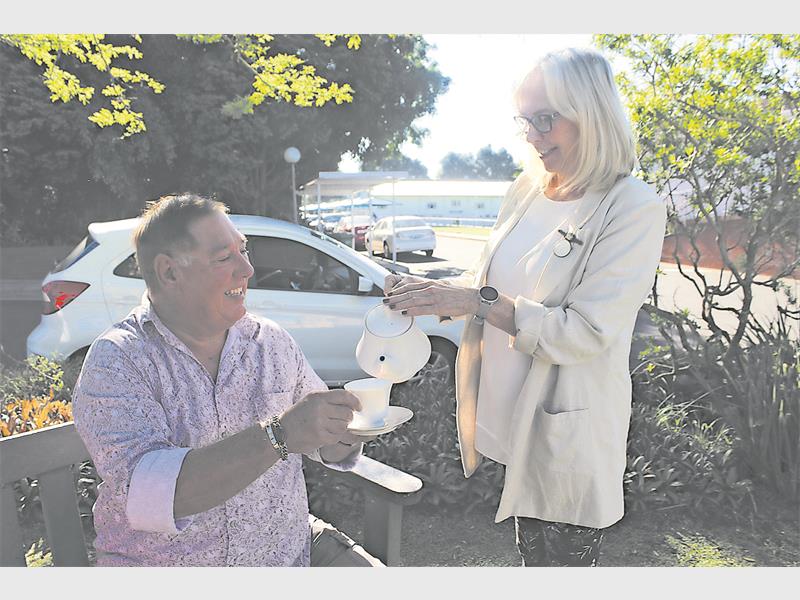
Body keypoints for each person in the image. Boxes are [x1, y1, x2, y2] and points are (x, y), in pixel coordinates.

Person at [383, 48, 667, 567]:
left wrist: (475, 301)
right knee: (530, 559)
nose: (532, 136)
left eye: (545, 119)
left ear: (591, 113)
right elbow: (489, 283)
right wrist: (431, 294)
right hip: (514, 422)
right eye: (525, 121)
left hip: (566, 432)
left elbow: (584, 331)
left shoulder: (632, 207)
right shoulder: (527, 190)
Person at [72, 194, 374, 567]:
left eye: (243, 251)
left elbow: (320, 443)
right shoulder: (119, 360)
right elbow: (156, 498)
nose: (247, 269)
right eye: (223, 258)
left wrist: (342, 433)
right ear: (169, 272)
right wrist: (278, 436)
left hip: (287, 555)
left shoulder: (270, 341)